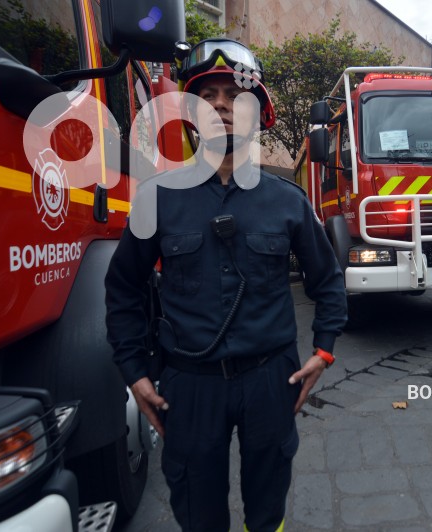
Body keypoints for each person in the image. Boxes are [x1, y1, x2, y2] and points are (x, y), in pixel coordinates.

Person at [104, 38, 347, 532]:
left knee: (268, 503)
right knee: (198, 508)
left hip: (270, 380)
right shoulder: (157, 200)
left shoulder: (289, 202)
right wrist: (134, 372)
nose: (220, 104)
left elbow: (328, 281)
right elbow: (123, 289)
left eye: (234, 95)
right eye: (207, 95)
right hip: (189, 386)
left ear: (258, 113)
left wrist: (322, 353)